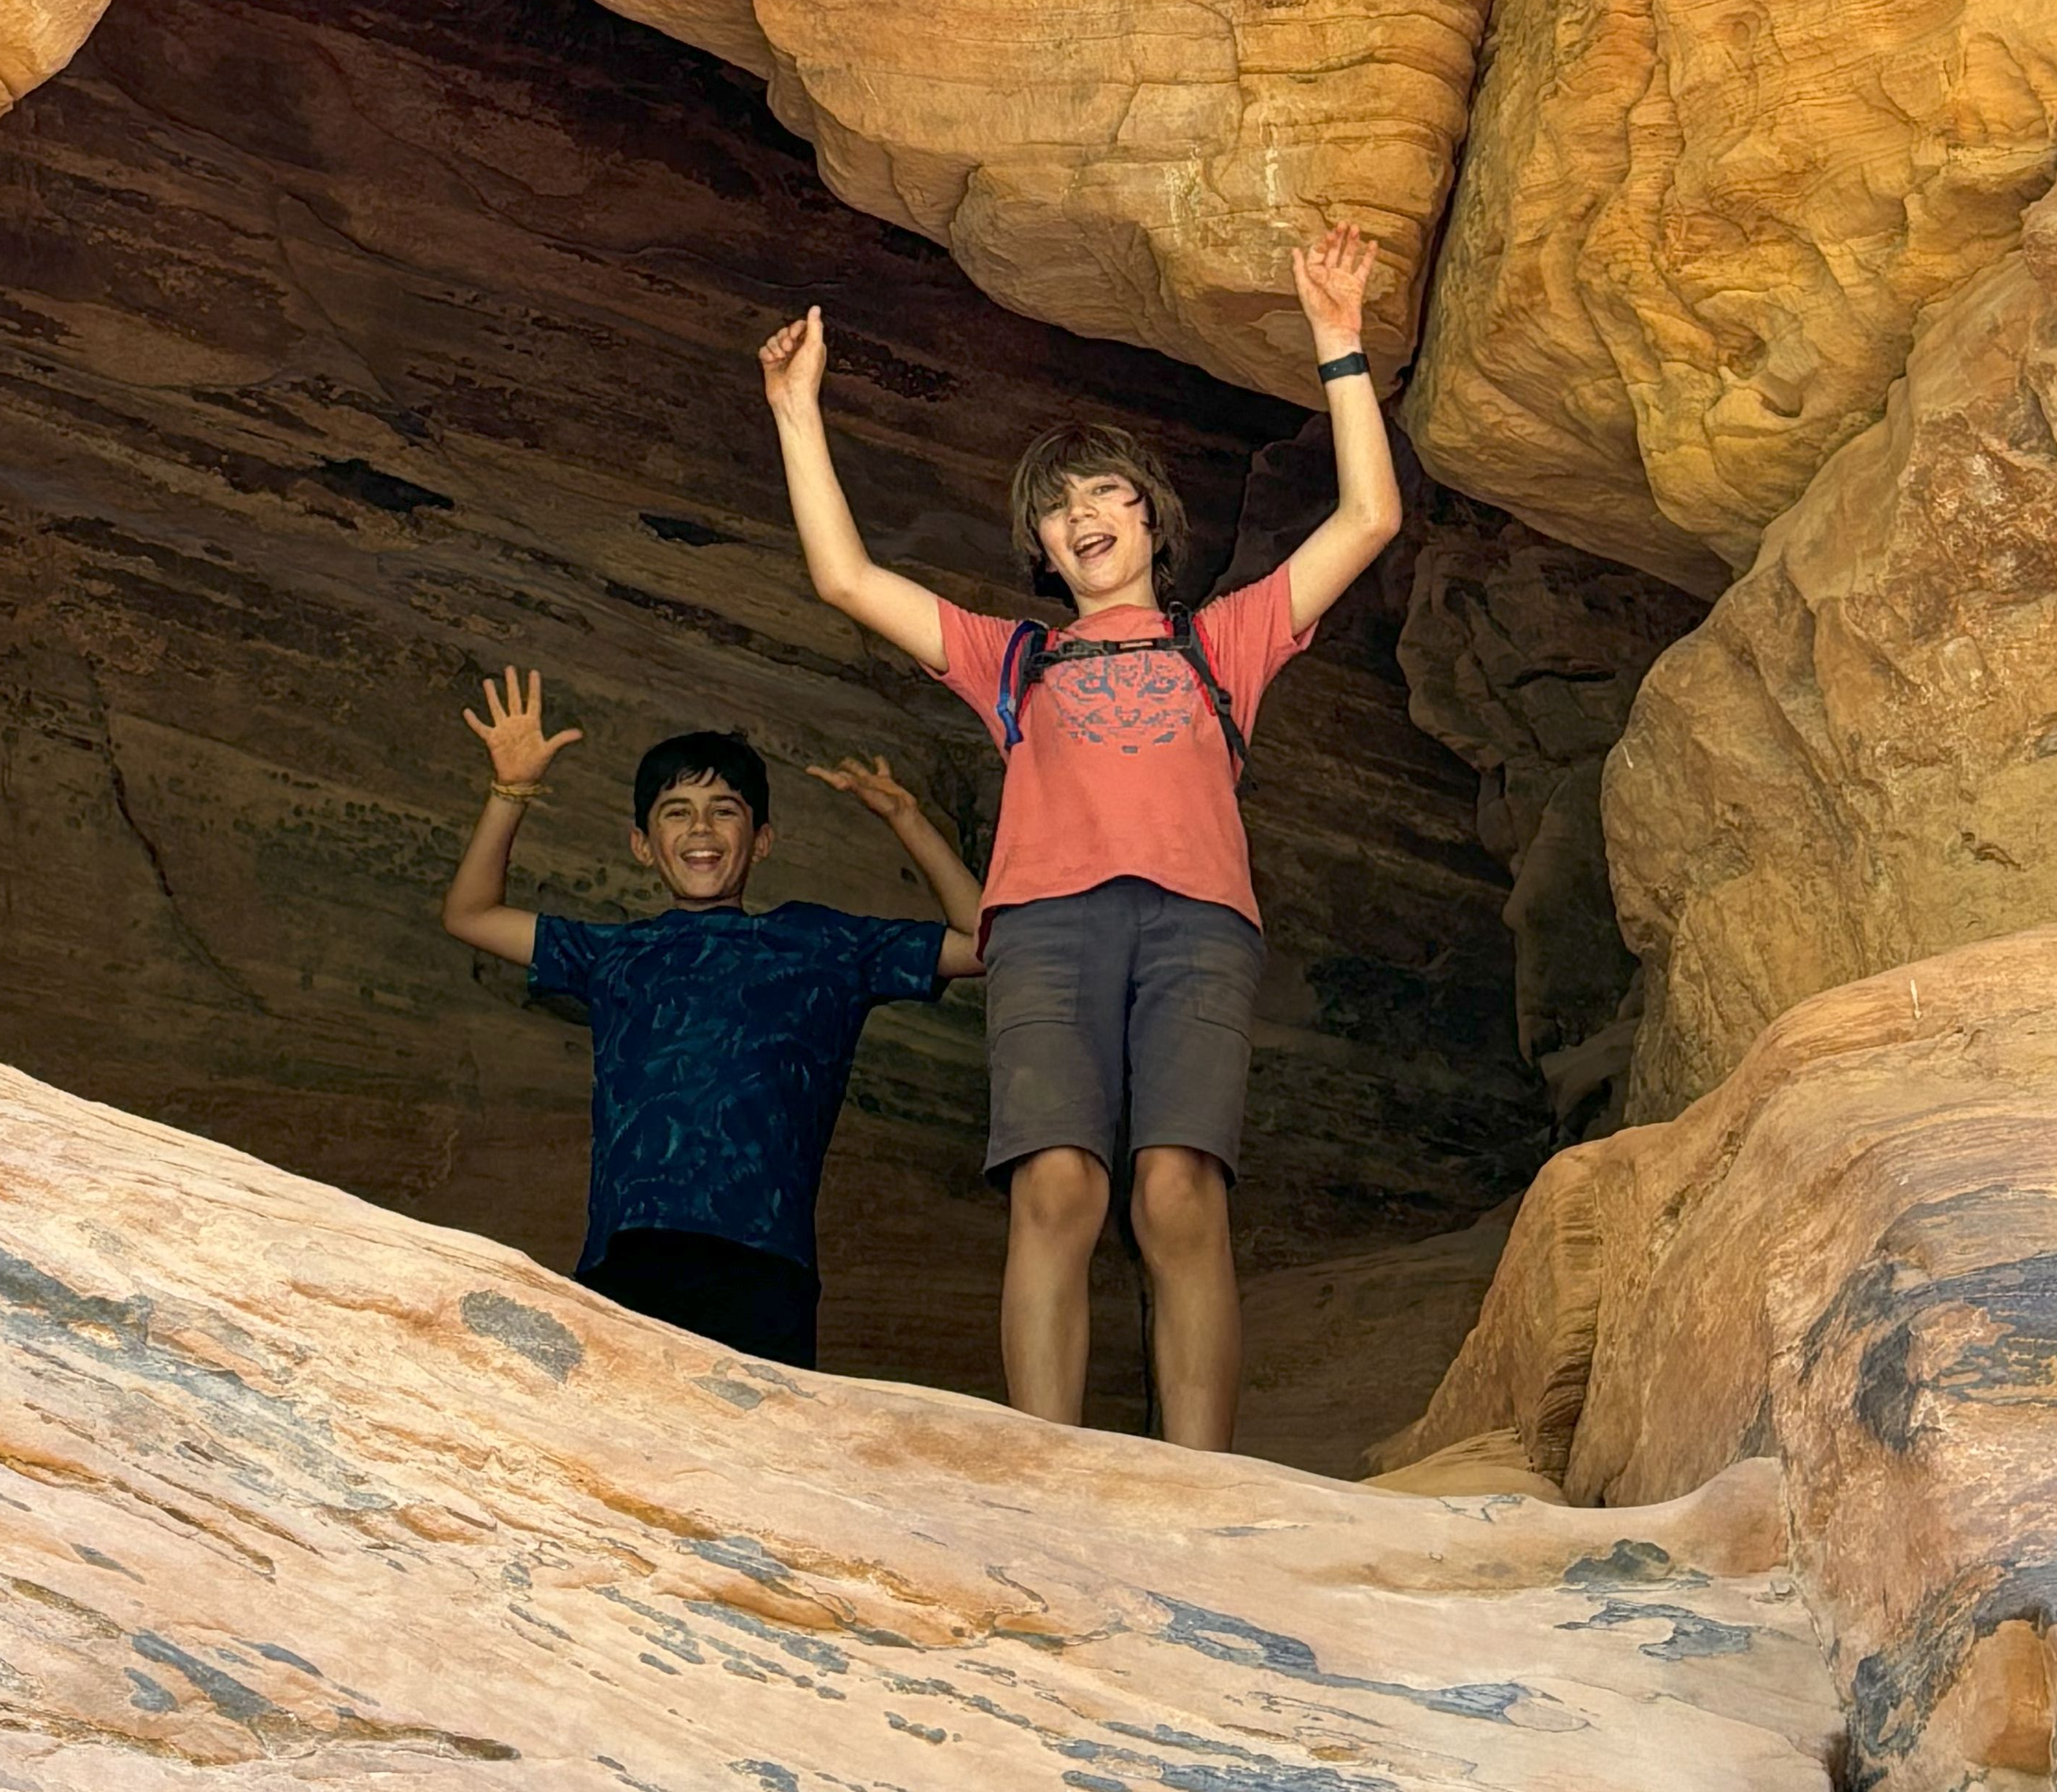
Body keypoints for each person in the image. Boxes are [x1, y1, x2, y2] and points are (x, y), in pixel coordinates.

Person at [756, 228, 1401, 1448]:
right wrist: (796, 411)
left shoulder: (1224, 641)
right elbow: (845, 577)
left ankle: (1196, 1484)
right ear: (1042, 553)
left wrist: (1336, 340)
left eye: (1102, 492)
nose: (1079, 515)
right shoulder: (1013, 658)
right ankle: (1045, 1473)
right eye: (1054, 509)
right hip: (1046, 931)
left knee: (1178, 1192)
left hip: (1198, 928)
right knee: (1057, 1186)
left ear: (1150, 518)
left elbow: (1367, 517)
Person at [440, 670, 982, 1370]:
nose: (700, 828)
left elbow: (985, 943)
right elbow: (471, 914)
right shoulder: (615, 954)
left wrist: (908, 820)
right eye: (676, 812)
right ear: (642, 845)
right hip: (628, 1255)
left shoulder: (823, 947)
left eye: (724, 811)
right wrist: (511, 790)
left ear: (762, 841)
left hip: (765, 1263)